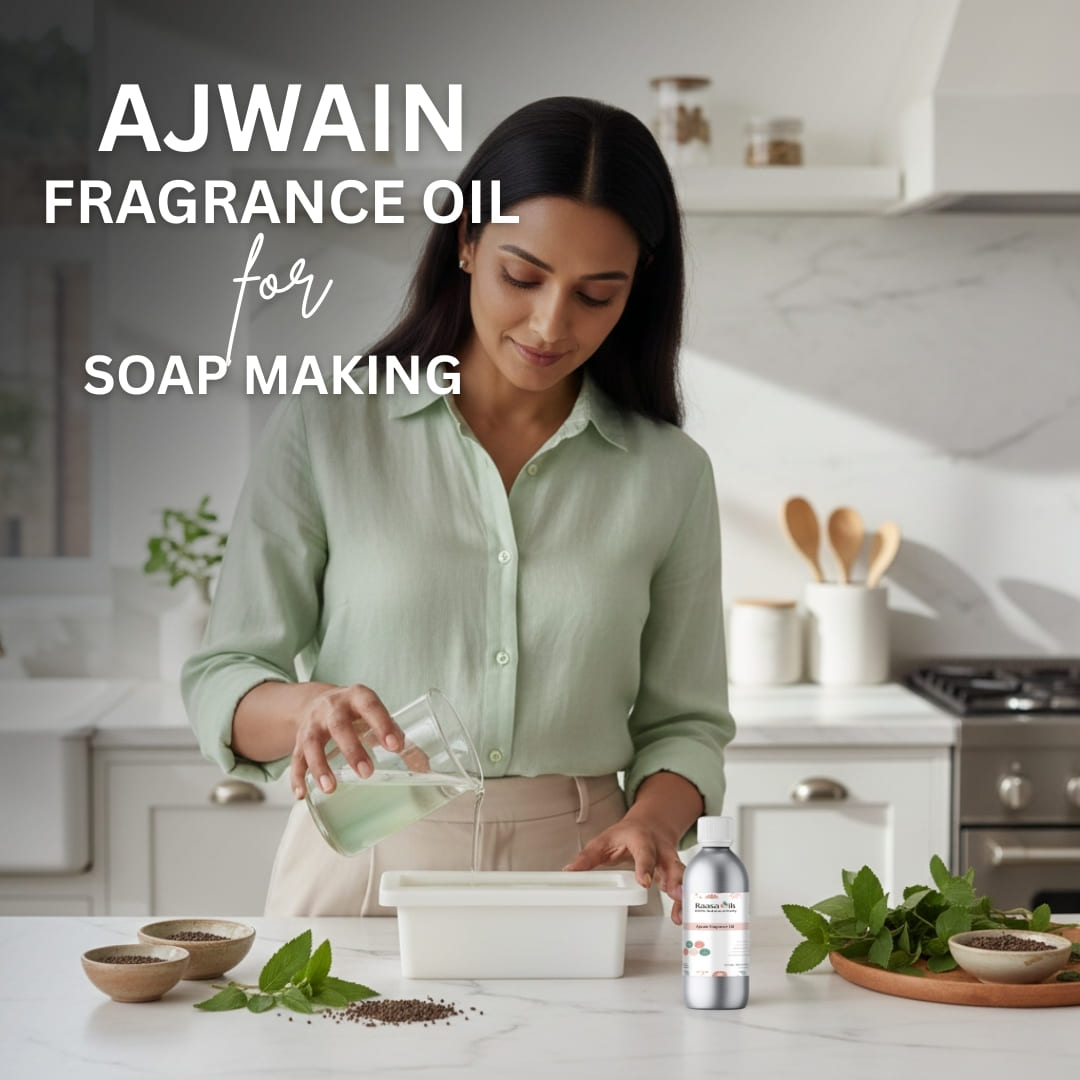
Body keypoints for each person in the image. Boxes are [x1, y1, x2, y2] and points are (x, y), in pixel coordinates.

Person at [182, 96, 735, 923]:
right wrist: (308, 708)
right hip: (361, 861)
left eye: (597, 293)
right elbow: (223, 676)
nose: (551, 323)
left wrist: (653, 820)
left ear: (637, 288)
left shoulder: (670, 474)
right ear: (468, 244)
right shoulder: (328, 427)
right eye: (523, 275)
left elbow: (686, 722)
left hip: (578, 880)